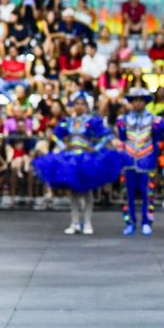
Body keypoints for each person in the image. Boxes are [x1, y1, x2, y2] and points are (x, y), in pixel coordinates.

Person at [33, 93, 125, 235]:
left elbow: (107, 135)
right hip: (70, 159)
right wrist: (64, 146)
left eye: (82, 103)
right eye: (77, 103)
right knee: (74, 192)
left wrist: (95, 147)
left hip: (87, 159)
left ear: (87, 106)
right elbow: (55, 134)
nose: (79, 106)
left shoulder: (92, 121)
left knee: (87, 191)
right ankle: (74, 222)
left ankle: (87, 222)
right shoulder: (68, 121)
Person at [117, 88, 164, 236]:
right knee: (127, 195)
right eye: (135, 100)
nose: (137, 103)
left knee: (148, 195)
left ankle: (147, 222)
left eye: (140, 100)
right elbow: (122, 138)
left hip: (147, 161)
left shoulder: (154, 120)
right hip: (128, 161)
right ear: (131, 102)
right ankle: (129, 223)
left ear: (145, 102)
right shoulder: (123, 120)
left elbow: (158, 139)